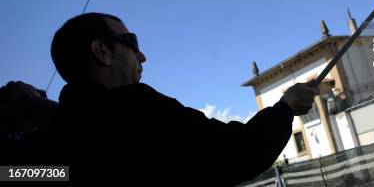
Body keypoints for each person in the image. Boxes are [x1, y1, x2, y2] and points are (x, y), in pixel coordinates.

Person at [43, 12, 319, 185]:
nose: (142, 56)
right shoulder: (136, 110)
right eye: (131, 42)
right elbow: (239, 153)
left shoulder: (49, 140)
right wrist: (286, 107)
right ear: (102, 51)